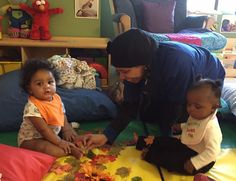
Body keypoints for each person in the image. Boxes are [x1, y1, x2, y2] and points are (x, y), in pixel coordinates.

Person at [84, 28, 225, 149]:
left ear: (144, 64)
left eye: (125, 72)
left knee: (191, 117)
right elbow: (130, 104)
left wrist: (162, 142)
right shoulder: (139, 67)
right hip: (170, 76)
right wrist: (107, 135)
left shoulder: (177, 63)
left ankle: (220, 109)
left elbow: (173, 107)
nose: (121, 77)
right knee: (146, 113)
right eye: (119, 71)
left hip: (208, 77)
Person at [135, 78, 222, 175]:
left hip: (201, 160)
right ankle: (141, 141)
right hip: (186, 145)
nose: (190, 109)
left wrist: (195, 162)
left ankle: (150, 155)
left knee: (171, 160)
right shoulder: (199, 114)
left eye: (197, 106)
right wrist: (181, 126)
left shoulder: (211, 128)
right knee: (167, 141)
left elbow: (213, 152)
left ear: (213, 108)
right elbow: (193, 125)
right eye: (189, 104)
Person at [18, 59, 83, 158]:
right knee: (49, 149)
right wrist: (60, 142)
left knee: (72, 136)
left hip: (53, 135)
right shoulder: (32, 107)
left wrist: (66, 129)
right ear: (30, 89)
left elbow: (62, 114)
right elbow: (44, 130)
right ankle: (70, 150)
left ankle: (71, 144)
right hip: (32, 140)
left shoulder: (56, 98)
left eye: (50, 82)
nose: (46, 86)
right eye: (39, 84)